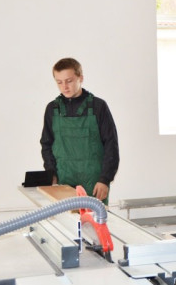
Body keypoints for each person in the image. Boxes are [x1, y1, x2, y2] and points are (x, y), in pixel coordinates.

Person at [40, 57, 119, 204]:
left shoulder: (98, 106)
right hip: (63, 181)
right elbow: (46, 144)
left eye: (69, 81)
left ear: (80, 78)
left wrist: (105, 179)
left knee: (94, 218)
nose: (64, 87)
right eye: (59, 82)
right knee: (65, 218)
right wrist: (51, 174)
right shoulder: (52, 109)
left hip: (94, 183)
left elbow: (111, 145)